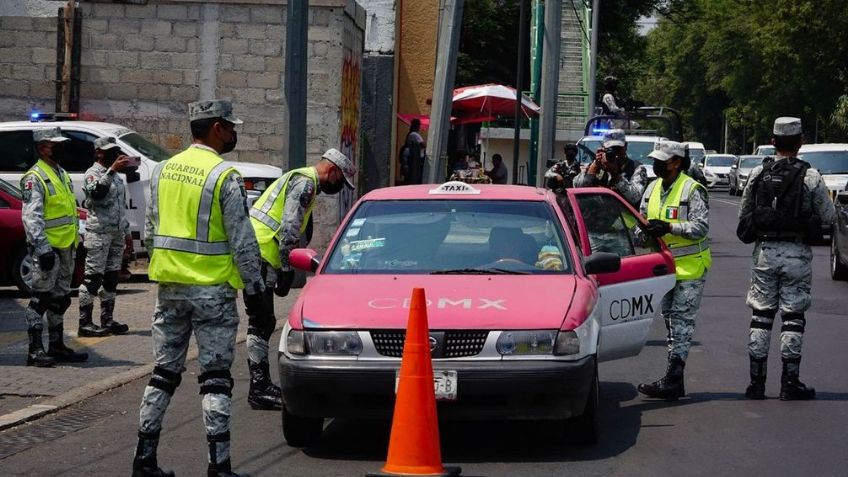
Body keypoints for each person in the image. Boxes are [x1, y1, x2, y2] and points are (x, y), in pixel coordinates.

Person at [132, 100, 271, 477]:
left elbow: (150, 231)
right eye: (229, 127)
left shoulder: (162, 171)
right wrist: (256, 293)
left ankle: (144, 460)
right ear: (215, 129)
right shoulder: (223, 176)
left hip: (170, 289)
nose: (232, 133)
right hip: (212, 293)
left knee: (163, 373)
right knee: (215, 380)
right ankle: (219, 466)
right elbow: (242, 241)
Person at [245, 147, 355, 410]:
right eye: (340, 181)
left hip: (258, 251)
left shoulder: (303, 180)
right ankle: (258, 388)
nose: (339, 187)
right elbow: (289, 226)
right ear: (332, 171)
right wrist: (286, 268)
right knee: (261, 321)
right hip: (260, 252)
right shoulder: (306, 184)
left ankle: (260, 385)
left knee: (263, 320)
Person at [739, 117, 835, 401]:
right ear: (800, 142)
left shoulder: (758, 172)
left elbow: (745, 213)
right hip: (797, 255)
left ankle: (756, 384)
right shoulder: (811, 176)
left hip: (765, 254)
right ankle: (789, 383)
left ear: (773, 142)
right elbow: (829, 216)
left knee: (761, 316)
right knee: (793, 318)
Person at [636, 140, 711, 400]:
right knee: (669, 322)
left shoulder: (692, 189)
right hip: (663, 268)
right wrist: (640, 233)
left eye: (662, 160)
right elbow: (641, 220)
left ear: (677, 162)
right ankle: (673, 378)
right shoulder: (651, 188)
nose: (656, 164)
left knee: (681, 324)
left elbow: (700, 227)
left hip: (691, 269)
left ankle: (674, 378)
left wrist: (669, 228)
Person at [20, 127, 87, 367]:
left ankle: (56, 345)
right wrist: (42, 248)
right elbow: (31, 217)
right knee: (41, 300)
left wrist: (79, 241)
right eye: (54, 144)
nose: (60, 148)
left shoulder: (62, 173)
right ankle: (35, 350)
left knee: (60, 299)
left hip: (66, 246)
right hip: (48, 250)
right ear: (41, 148)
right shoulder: (34, 178)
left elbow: (69, 212)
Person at [77, 136, 133, 338]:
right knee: (93, 278)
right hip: (99, 233)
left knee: (111, 279)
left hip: (116, 233)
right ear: (99, 152)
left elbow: (120, 209)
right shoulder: (93, 173)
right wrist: (111, 171)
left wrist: (127, 235)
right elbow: (97, 194)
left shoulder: (117, 176)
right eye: (108, 151)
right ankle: (85, 323)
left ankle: (107, 319)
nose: (113, 154)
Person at [573, 129, 648, 207]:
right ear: (603, 148)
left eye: (618, 149)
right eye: (611, 149)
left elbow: (634, 197)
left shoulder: (637, 168)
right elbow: (577, 187)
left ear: (625, 146)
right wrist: (595, 166)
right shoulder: (597, 165)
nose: (615, 154)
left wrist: (615, 175)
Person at [400, 118, 426, 185]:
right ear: (417, 126)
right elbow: (423, 144)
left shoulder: (410, 134)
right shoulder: (414, 134)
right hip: (415, 160)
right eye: (419, 125)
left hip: (412, 159)